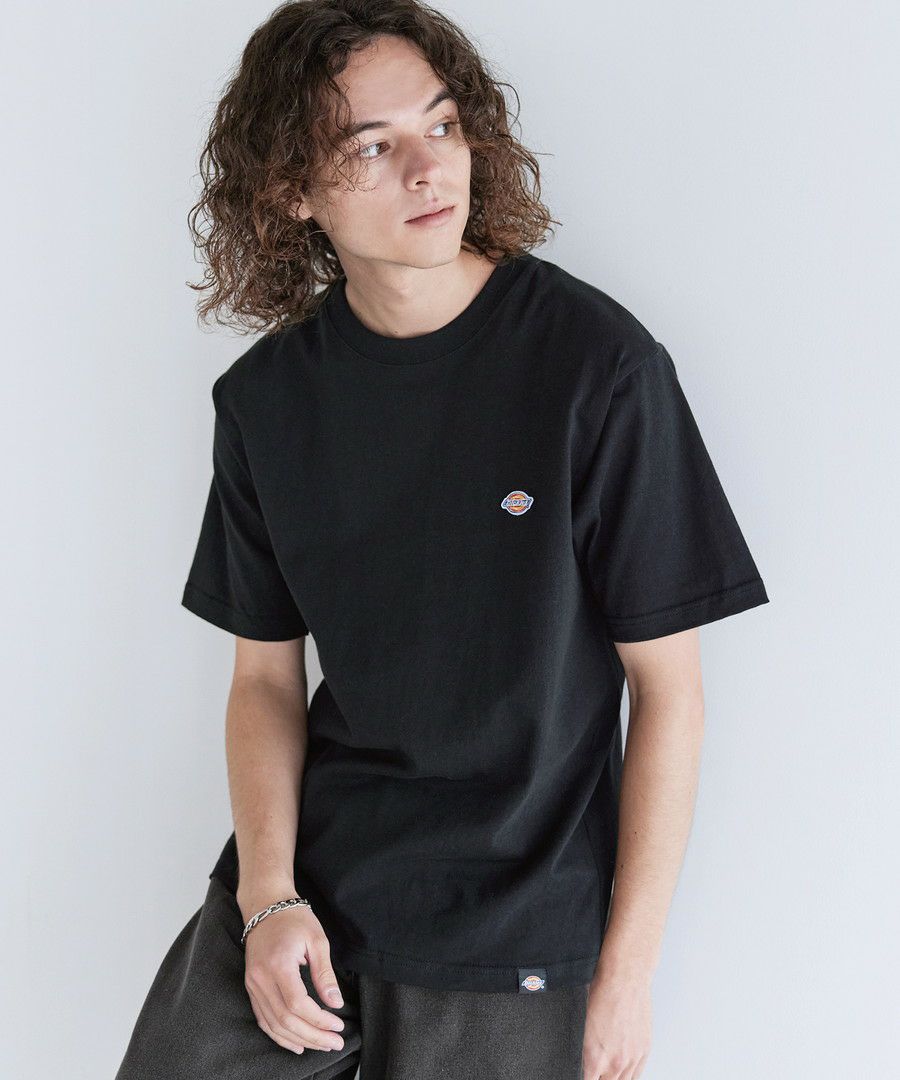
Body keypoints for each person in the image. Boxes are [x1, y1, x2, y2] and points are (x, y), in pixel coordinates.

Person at [115, 2, 770, 1079]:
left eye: (444, 126)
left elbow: (670, 693)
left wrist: (623, 978)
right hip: (306, 903)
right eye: (372, 146)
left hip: (510, 935)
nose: (430, 170)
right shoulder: (267, 401)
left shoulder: (596, 369)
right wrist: (267, 896)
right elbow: (265, 680)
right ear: (290, 190)